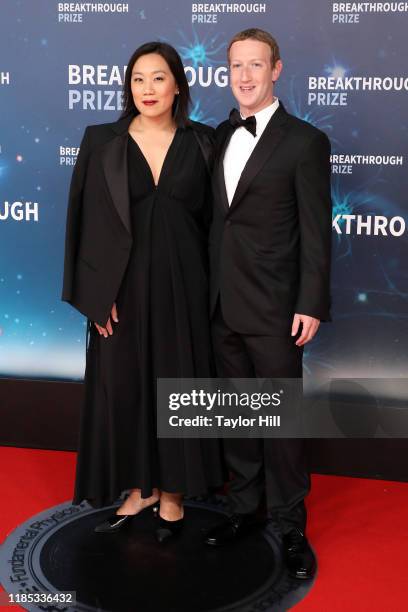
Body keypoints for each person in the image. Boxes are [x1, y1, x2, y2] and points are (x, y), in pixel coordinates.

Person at [62, 41, 224, 542]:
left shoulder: (204, 142)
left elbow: (222, 223)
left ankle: (173, 492)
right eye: (137, 79)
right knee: (126, 386)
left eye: (158, 78)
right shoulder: (101, 140)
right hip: (121, 288)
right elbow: (83, 223)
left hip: (186, 286)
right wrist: (94, 294)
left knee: (179, 383)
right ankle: (139, 488)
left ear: (178, 83)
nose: (147, 89)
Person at [205, 29, 332, 580]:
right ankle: (243, 509)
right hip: (222, 304)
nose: (246, 76)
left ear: (276, 69)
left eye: (257, 65)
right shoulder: (216, 135)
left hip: (278, 307)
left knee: (280, 424)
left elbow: (314, 231)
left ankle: (288, 525)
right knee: (238, 415)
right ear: (226, 72)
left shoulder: (305, 141)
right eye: (237, 67)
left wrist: (311, 301)